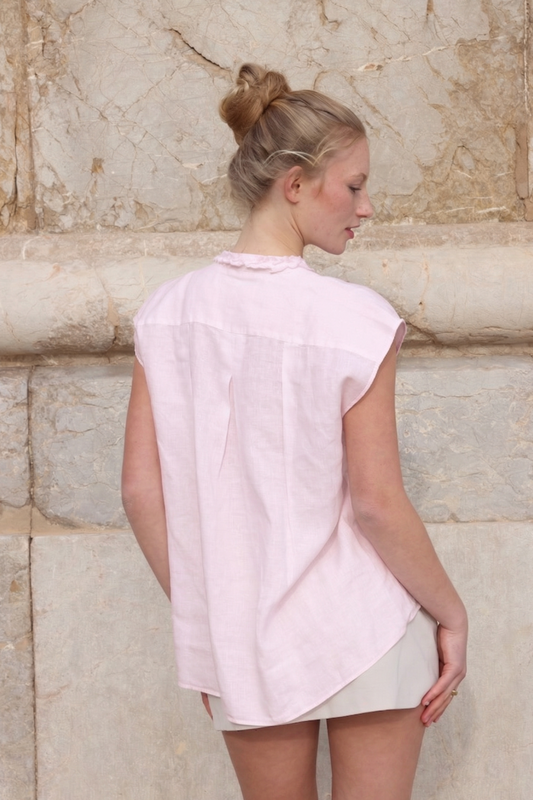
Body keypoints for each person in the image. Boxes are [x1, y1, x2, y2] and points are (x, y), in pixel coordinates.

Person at [122, 63, 468, 800]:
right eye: (354, 185)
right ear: (295, 183)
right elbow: (376, 503)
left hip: (247, 642)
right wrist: (451, 612)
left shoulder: (166, 314)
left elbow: (140, 493)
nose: (366, 208)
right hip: (366, 628)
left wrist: (211, 615)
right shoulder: (355, 320)